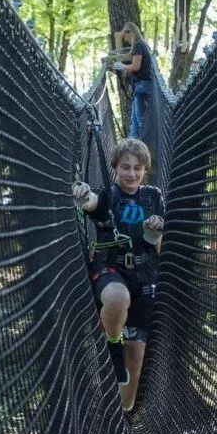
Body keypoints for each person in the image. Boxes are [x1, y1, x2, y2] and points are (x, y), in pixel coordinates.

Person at [72, 138, 164, 413]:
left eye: (137, 168)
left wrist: (155, 234)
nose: (131, 174)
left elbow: (162, 249)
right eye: (125, 167)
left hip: (145, 274)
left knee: (136, 354)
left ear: (145, 169)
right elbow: (92, 203)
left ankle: (124, 413)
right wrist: (82, 195)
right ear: (115, 168)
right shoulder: (108, 195)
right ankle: (113, 343)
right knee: (116, 298)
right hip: (111, 269)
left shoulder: (154, 197)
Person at [111, 22, 153, 138]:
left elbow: (135, 67)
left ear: (130, 32)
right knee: (134, 119)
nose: (125, 39)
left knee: (140, 119)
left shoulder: (138, 45)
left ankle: (145, 144)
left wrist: (122, 66)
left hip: (142, 85)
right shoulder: (143, 44)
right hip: (141, 85)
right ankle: (132, 144)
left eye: (125, 36)